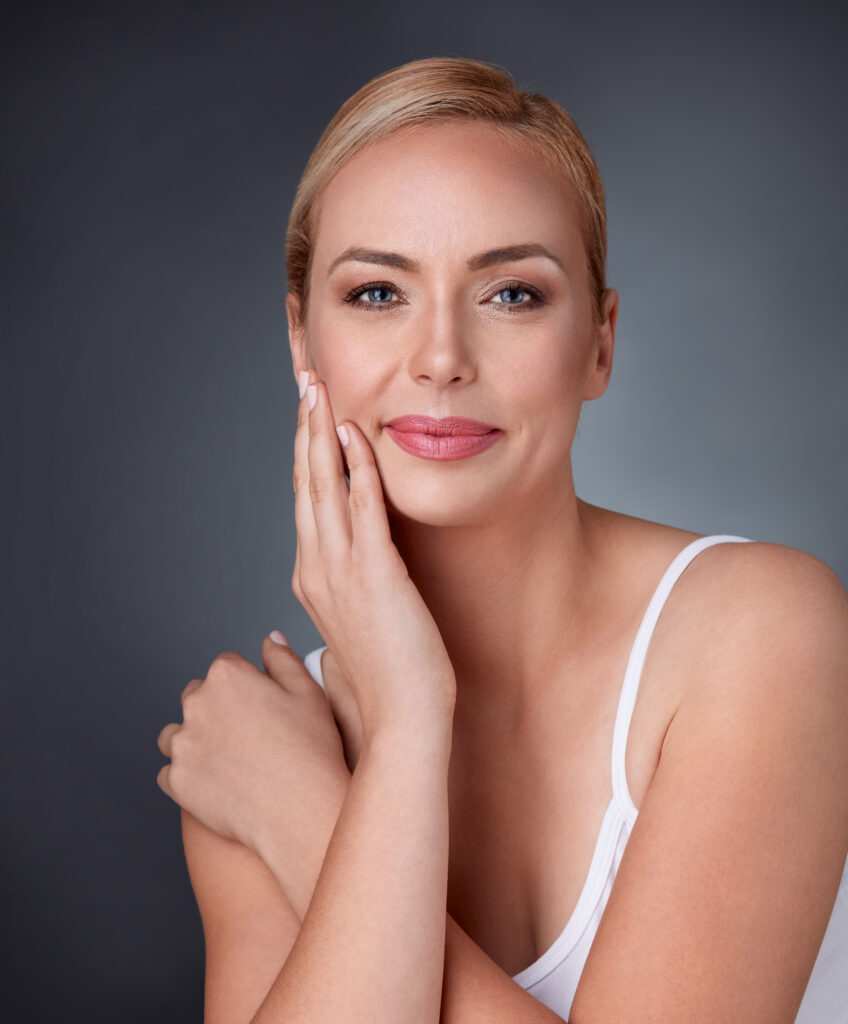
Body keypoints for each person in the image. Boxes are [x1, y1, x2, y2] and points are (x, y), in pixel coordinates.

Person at [154, 57, 848, 1023]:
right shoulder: (263, 740)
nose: (441, 358)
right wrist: (407, 722)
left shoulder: (761, 630)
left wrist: (313, 820)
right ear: (301, 340)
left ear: (600, 343)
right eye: (378, 294)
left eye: (513, 294)